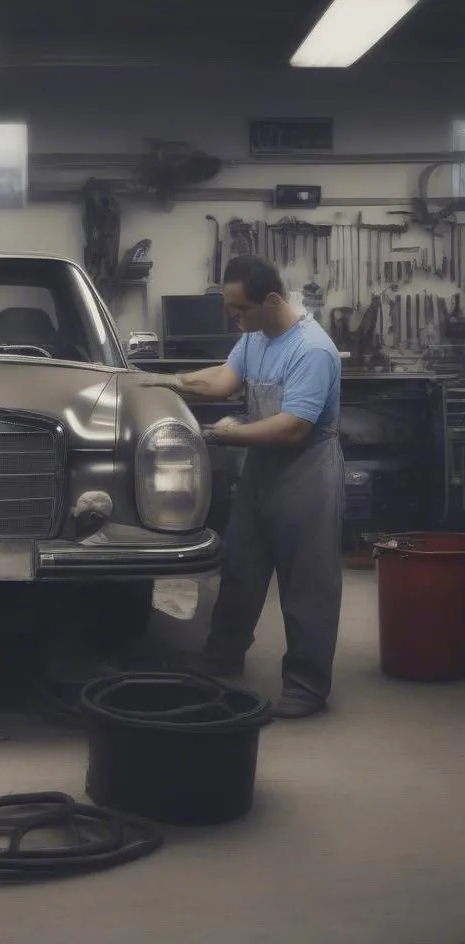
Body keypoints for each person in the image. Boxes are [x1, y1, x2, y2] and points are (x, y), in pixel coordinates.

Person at [143, 255, 343, 718]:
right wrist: (163, 381)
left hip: (306, 471)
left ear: (272, 299)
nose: (235, 320)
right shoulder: (256, 338)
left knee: (306, 582)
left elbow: (293, 427)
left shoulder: (311, 349)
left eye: (241, 309)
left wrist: (222, 435)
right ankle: (221, 659)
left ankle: (306, 686)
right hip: (261, 471)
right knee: (241, 568)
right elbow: (221, 381)